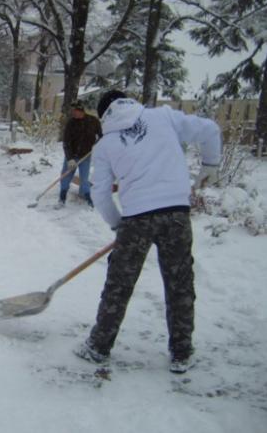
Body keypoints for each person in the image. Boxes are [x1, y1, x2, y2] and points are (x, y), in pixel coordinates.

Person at [75, 90, 222, 374]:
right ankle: (182, 352)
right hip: (177, 214)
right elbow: (210, 130)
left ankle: (98, 346)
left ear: (104, 114)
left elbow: (101, 193)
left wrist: (118, 224)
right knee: (179, 283)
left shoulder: (106, 144)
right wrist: (210, 165)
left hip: (136, 219)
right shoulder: (163, 117)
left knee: (119, 285)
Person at [55, 100, 102, 209]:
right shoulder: (71, 123)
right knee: (65, 177)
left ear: (81, 110)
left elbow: (101, 135)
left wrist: (98, 144)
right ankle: (62, 198)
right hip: (72, 156)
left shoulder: (93, 121)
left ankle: (88, 197)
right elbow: (66, 142)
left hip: (86, 156)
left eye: (75, 110)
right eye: (72, 110)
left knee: (84, 179)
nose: (73, 113)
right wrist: (70, 158)